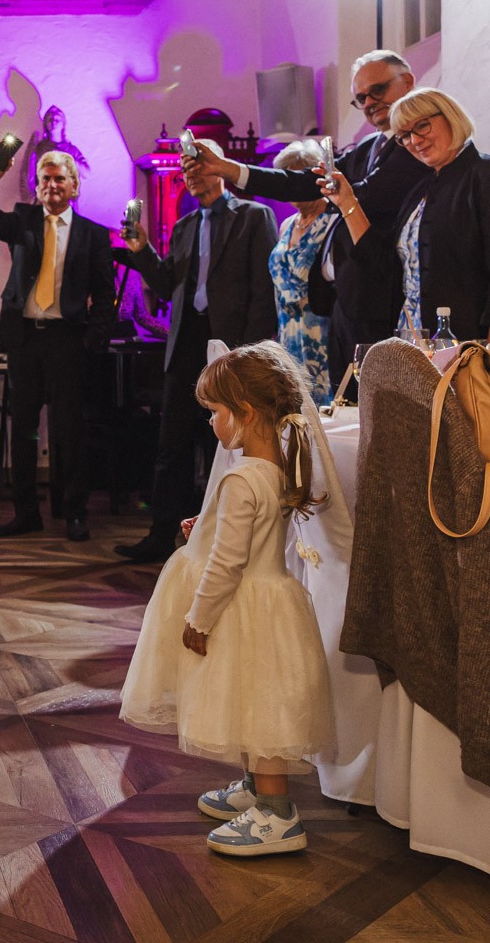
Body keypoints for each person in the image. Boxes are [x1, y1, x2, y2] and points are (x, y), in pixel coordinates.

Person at [119, 341, 335, 857]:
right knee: (248, 700)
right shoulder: (274, 466)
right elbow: (251, 532)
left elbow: (228, 563)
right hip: (265, 607)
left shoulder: (241, 478)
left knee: (258, 707)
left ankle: (278, 815)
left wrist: (199, 617)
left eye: (215, 412)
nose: (210, 422)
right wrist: (205, 525)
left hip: (238, 610)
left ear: (246, 414)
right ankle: (257, 790)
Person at [185, 51, 429, 382]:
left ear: (408, 81)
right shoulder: (368, 146)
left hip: (382, 303)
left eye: (378, 90)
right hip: (344, 306)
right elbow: (301, 182)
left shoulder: (417, 147)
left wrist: (336, 191)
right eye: (360, 98)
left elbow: (363, 194)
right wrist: (229, 169)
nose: (370, 102)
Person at [115, 160, 277, 563]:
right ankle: (160, 535)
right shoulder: (186, 226)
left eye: (200, 167)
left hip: (231, 348)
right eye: (187, 172)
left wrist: (250, 353)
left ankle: (222, 542)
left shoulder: (254, 216)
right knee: (171, 446)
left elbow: (265, 289)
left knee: (225, 446)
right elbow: (167, 283)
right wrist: (142, 250)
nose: (192, 176)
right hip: (186, 346)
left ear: (219, 170)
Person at [0, 147, 120, 540]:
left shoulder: (93, 234)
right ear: (37, 187)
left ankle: (74, 512)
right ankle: (26, 513)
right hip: (25, 339)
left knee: (70, 430)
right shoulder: (23, 221)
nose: (51, 185)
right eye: (44, 179)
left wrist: (92, 339)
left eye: (58, 179)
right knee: (22, 427)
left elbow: (105, 293)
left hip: (68, 341)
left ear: (74, 185)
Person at [326, 87, 490, 348]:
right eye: (404, 136)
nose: (414, 140)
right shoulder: (419, 191)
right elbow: (383, 266)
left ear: (450, 117)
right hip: (415, 345)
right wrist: (347, 202)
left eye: (422, 126)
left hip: (475, 348)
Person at [264, 139, 338, 403]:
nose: (292, 186)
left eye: (296, 178)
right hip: (287, 334)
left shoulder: (334, 220)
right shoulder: (286, 225)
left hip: (321, 334)